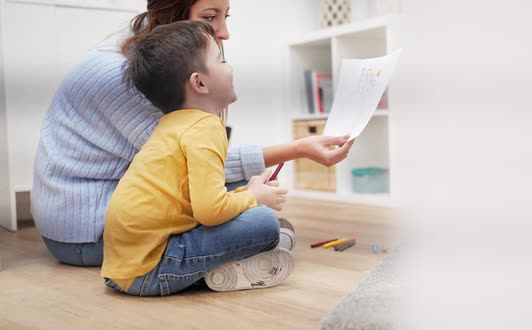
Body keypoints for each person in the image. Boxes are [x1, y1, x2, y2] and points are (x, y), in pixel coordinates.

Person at [31, 0, 353, 267]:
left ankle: (246, 234)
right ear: (171, 15)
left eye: (225, 16)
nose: (225, 33)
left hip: (125, 203)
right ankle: (241, 245)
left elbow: (201, 166)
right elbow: (197, 168)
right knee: (258, 217)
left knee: (242, 188)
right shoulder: (125, 77)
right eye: (210, 17)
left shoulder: (149, 53)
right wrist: (297, 150)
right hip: (88, 230)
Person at [101, 20, 292, 296]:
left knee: (251, 213)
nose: (230, 66)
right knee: (264, 223)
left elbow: (194, 200)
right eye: (221, 59)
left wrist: (246, 191)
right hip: (152, 270)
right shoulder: (206, 127)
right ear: (199, 82)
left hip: (121, 270)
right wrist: (255, 199)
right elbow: (210, 212)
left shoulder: (171, 125)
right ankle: (223, 267)